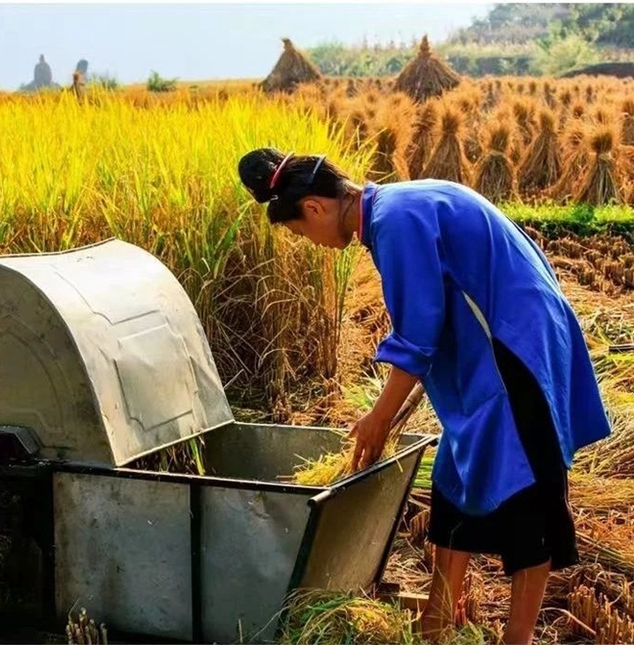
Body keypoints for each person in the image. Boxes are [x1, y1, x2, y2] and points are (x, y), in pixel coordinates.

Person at [237, 149, 611, 645]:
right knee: (454, 476)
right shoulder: (394, 208)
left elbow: (418, 337)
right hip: (487, 352)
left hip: (515, 347)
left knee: (529, 499)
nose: (312, 243)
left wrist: (378, 420)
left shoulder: (395, 222)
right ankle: (436, 619)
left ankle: (516, 639)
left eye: (301, 234)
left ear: (313, 208)